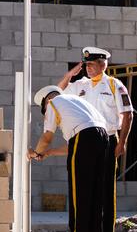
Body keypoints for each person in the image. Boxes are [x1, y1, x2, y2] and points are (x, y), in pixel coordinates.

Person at [57, 46, 133, 224]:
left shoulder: (114, 85)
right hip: (84, 141)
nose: (88, 68)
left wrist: (122, 143)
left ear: (103, 65)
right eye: (86, 65)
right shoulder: (80, 85)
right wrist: (70, 75)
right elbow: (57, 93)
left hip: (107, 139)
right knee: (83, 186)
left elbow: (128, 114)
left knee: (105, 187)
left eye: (91, 64)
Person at [28, 85, 112, 232]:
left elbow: (47, 137)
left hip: (84, 138)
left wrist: (35, 153)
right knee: (96, 192)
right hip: (103, 137)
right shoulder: (76, 102)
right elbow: (74, 146)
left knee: (79, 191)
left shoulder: (53, 102)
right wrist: (49, 153)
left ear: (46, 100)